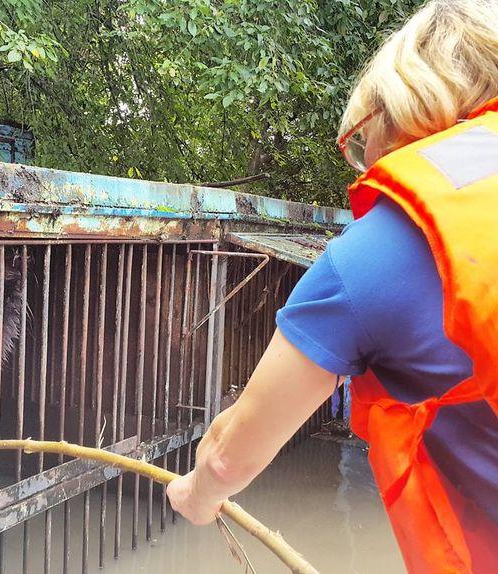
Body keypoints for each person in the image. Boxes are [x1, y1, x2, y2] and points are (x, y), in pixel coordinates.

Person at [166, 1, 498, 572]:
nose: (360, 162)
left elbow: (226, 459)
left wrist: (196, 494)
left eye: (357, 142)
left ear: (397, 112)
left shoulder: (374, 257)